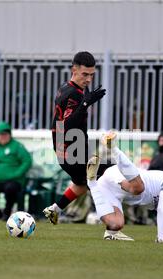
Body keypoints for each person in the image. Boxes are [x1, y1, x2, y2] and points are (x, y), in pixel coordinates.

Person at [87, 132, 163, 242]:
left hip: (108, 189)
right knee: (138, 188)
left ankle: (92, 183)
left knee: (116, 224)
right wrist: (161, 238)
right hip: (118, 175)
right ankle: (112, 147)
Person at [43, 51, 106, 225]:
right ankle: (111, 223)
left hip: (65, 151)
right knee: (108, 176)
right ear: (74, 70)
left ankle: (54, 210)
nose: (88, 79)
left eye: (92, 75)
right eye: (85, 74)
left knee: (81, 184)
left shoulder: (65, 87)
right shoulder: (75, 94)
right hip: (73, 151)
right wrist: (86, 103)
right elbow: (68, 126)